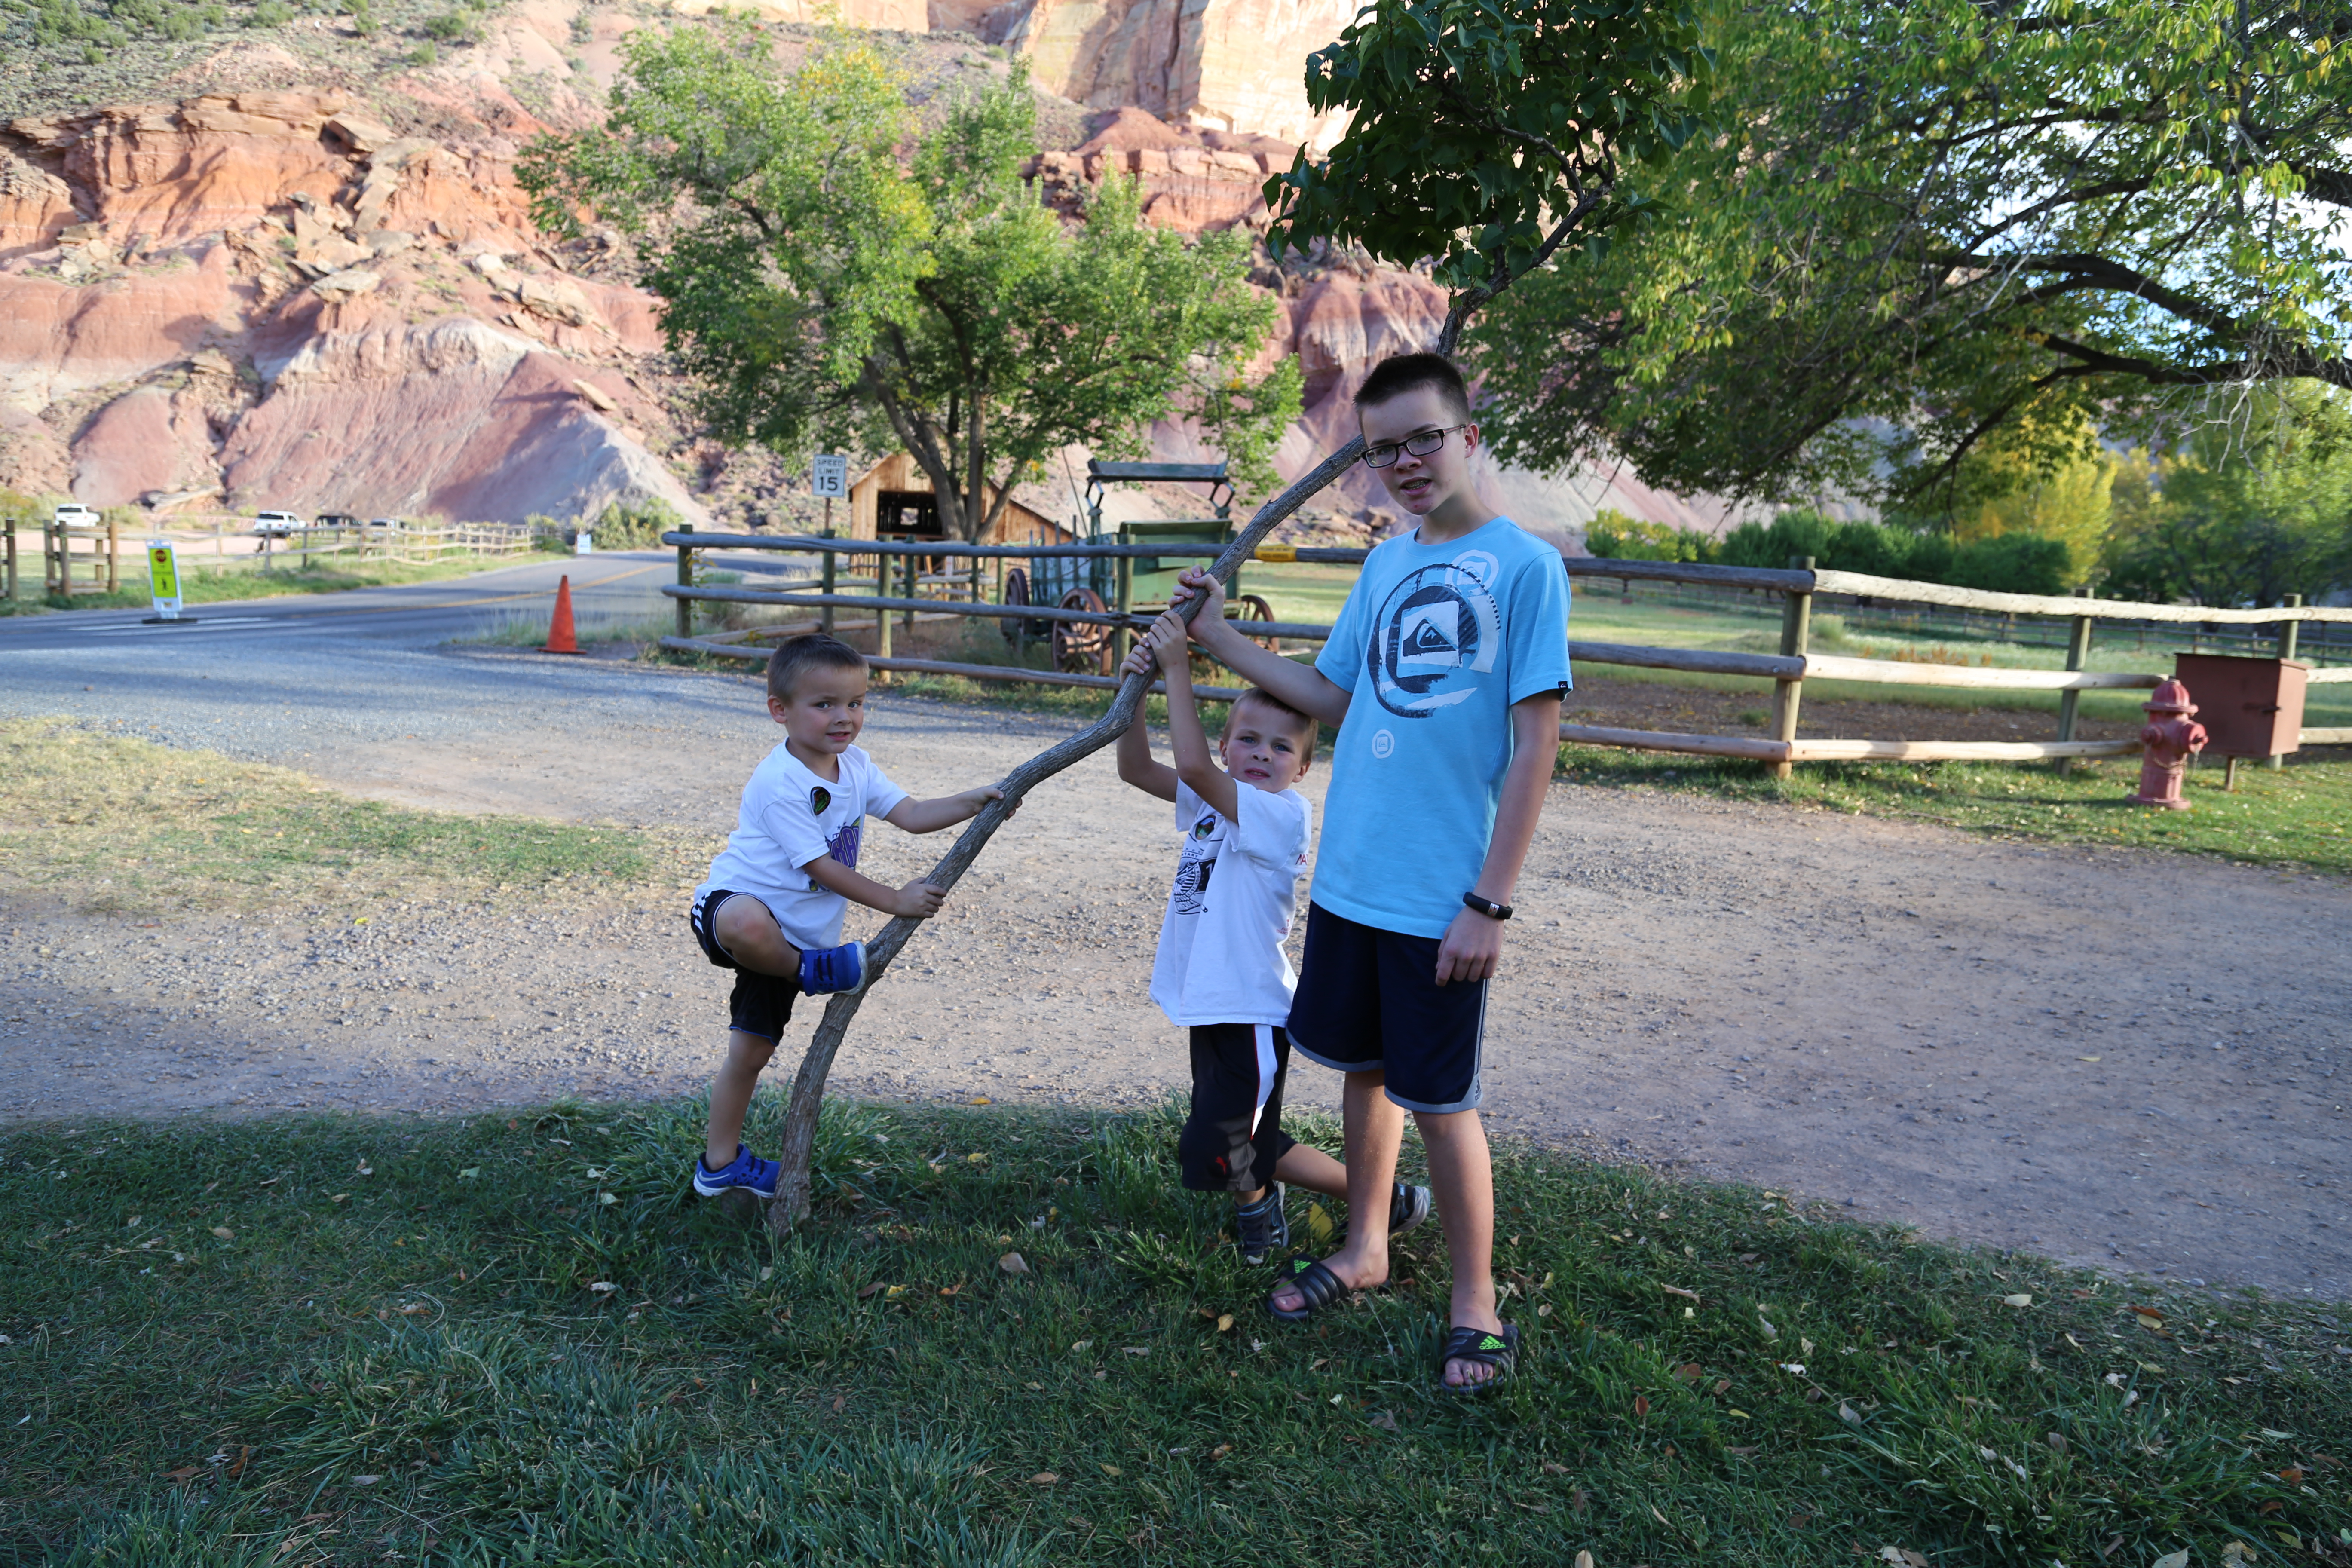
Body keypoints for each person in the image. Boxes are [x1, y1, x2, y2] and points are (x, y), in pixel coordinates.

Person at [1164, 351, 1571, 1392]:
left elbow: (1534, 745)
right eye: (1385, 447)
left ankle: (1474, 1302)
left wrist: (1490, 902)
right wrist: (1213, 637)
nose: (1407, 462)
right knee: (1366, 1076)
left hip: (1443, 894)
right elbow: (1334, 695)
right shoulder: (1387, 564)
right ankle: (1366, 1246)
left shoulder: (1526, 567)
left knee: (1444, 1100)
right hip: (1351, 881)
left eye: (1424, 438)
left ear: (1469, 436)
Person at [1114, 614, 1432, 1264]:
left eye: (1281, 747)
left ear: (1305, 769)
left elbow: (1195, 768)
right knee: (1240, 1137)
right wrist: (1138, 691)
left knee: (1220, 1141)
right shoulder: (1217, 801)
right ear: (1228, 747)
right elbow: (1135, 768)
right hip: (1214, 1001)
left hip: (1252, 1008)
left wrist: (1179, 668)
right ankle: (1382, 1201)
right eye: (1249, 741)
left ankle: (1273, 1211)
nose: (1262, 753)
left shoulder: (1281, 816)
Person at [686, 634, 1007, 1198]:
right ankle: (807, 972)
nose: (845, 717)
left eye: (856, 703)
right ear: (779, 712)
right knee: (749, 923)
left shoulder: (855, 766)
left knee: (752, 1052)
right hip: (731, 915)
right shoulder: (779, 783)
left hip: (800, 944)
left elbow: (909, 813)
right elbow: (821, 867)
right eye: (825, 704)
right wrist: (895, 900)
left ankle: (720, 1164)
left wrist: (972, 801)